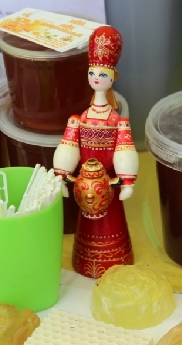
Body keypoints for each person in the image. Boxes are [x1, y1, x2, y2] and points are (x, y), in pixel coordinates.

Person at [53, 25, 139, 279]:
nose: (96, 78)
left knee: (111, 219)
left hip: (108, 185)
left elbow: (124, 150)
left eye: (102, 74)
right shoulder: (79, 119)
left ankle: (114, 260)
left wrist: (126, 182)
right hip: (85, 185)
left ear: (113, 77)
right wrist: (62, 175)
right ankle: (86, 260)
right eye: (92, 73)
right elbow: (69, 146)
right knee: (87, 222)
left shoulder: (118, 121)